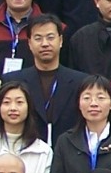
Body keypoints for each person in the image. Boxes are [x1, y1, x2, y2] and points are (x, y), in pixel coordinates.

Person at [6, 14, 88, 144]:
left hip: (69, 150)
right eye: (38, 38)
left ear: (60, 41)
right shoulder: (13, 81)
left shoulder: (81, 82)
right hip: (25, 149)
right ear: (29, 43)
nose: (45, 44)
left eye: (50, 37)